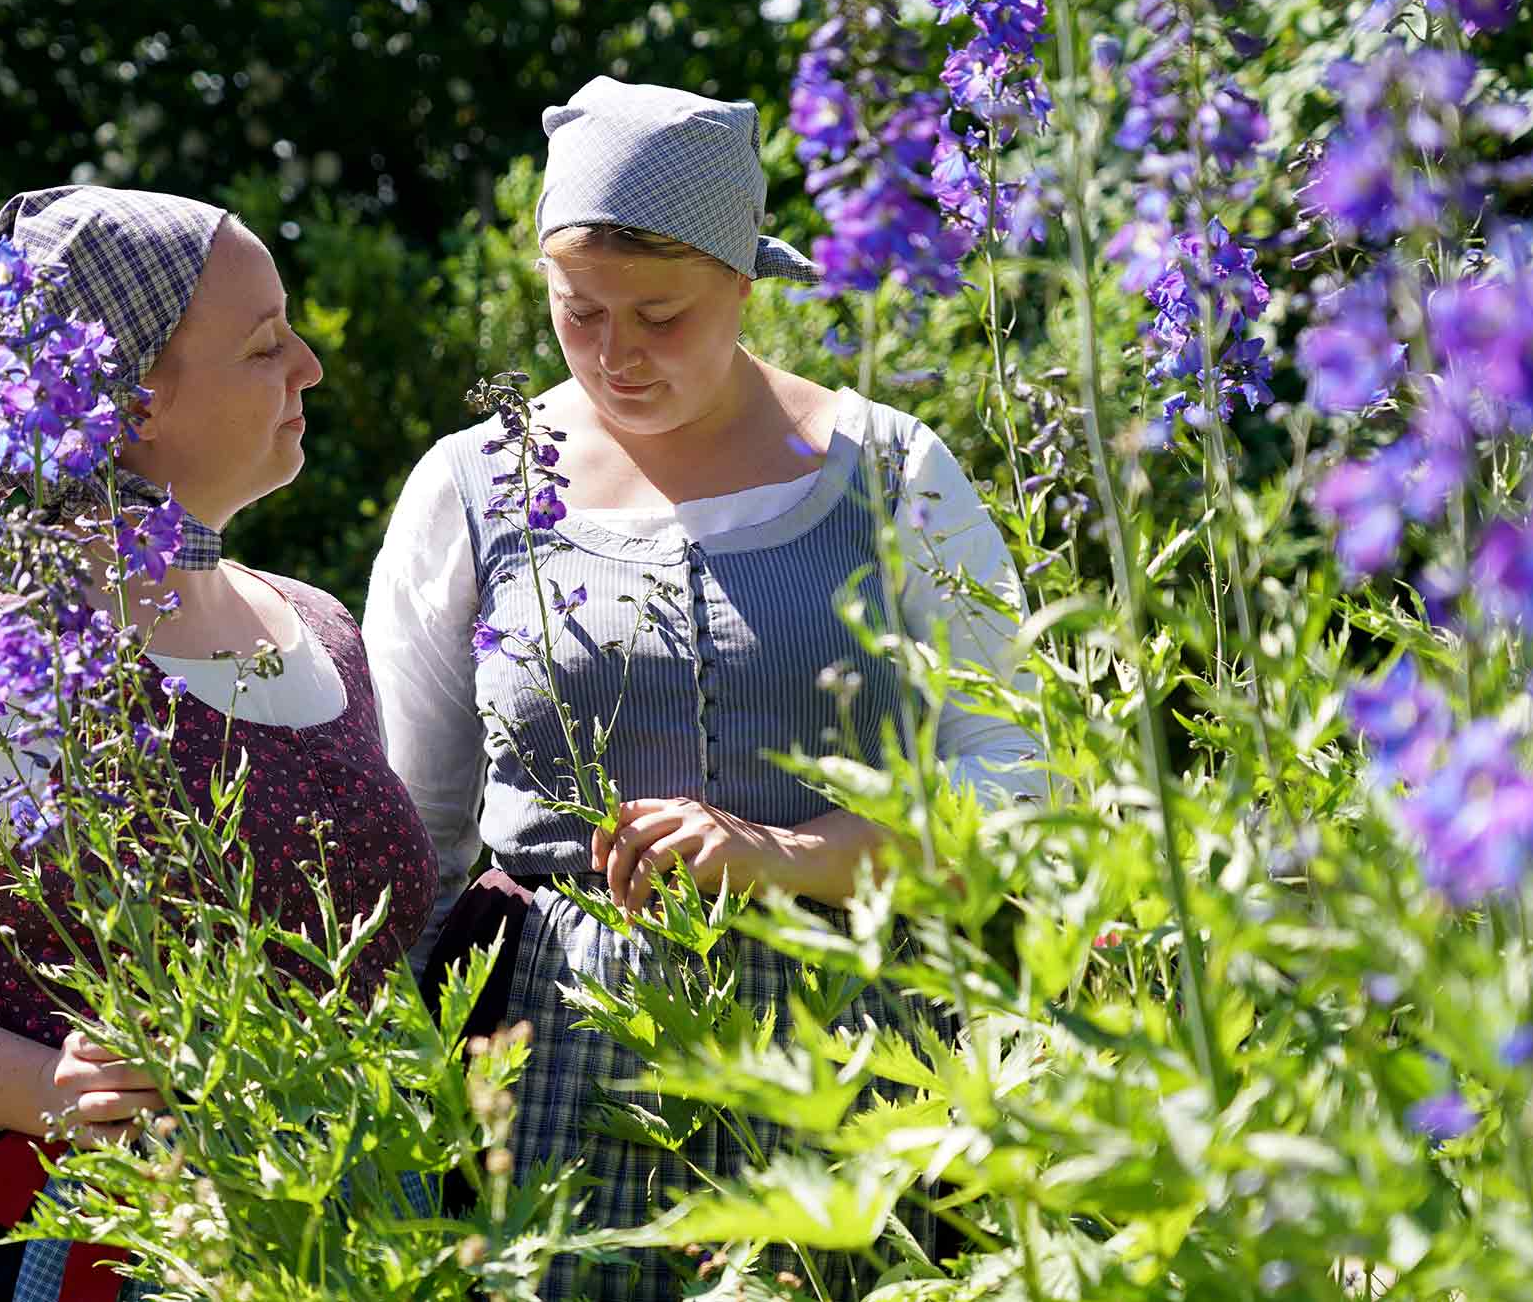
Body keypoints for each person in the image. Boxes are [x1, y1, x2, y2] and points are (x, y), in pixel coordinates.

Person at [363, 77, 1042, 1298]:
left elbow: (1014, 766)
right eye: (580, 314)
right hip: (551, 1051)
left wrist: (796, 851)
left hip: (848, 1044)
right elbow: (413, 819)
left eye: (662, 315)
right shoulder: (470, 484)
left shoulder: (892, 473)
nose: (617, 356)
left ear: (746, 279)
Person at [0, 186, 436, 1302]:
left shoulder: (314, 626)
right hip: (67, 1248)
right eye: (264, 345)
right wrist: (52, 1087)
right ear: (131, 402)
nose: (308, 365)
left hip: (317, 1241)